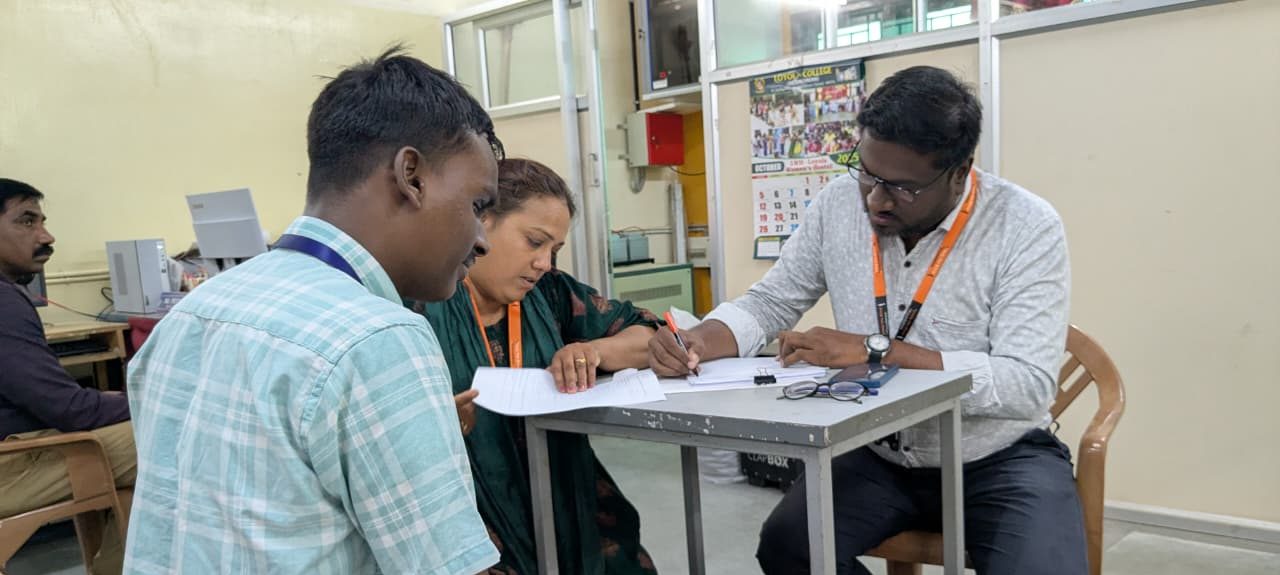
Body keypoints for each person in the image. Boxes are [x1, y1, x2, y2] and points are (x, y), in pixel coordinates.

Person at [649, 66, 1087, 575]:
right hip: (881, 454)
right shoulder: (839, 204)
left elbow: (1027, 384)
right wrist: (697, 339)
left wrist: (878, 350)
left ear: (960, 171)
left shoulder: (1025, 225)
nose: (876, 200)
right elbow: (770, 302)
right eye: (867, 173)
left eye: (903, 188)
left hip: (998, 459)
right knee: (789, 548)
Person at [125, 49, 503, 575]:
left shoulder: (195, 311)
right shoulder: (377, 337)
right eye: (478, 206)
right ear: (411, 176)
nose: (481, 239)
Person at [408, 158, 660, 575]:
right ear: (481, 223)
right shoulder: (418, 305)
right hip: (472, 523)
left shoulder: (552, 296)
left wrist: (592, 351)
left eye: (554, 251)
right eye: (534, 242)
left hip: (567, 505)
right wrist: (434, 426)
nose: (544, 263)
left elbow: (649, 336)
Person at [0, 178, 134, 575]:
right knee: (172, 435)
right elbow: (70, 411)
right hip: (12, 464)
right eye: (27, 221)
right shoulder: (3, 303)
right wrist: (149, 401)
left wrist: (109, 403)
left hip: (20, 445)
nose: (46, 235)